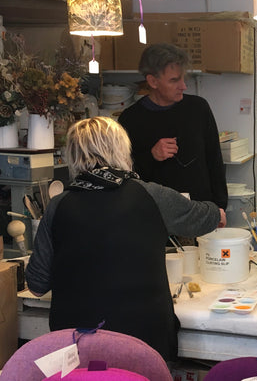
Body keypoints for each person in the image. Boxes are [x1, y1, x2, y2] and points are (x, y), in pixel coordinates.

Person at [26, 117, 226, 362]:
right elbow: (205, 217)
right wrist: (218, 214)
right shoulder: (152, 195)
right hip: (143, 344)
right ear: (121, 150)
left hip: (76, 348)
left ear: (73, 156)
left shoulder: (57, 206)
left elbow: (36, 285)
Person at [118, 43, 228, 209]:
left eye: (183, 78)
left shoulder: (198, 108)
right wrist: (151, 156)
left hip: (199, 210)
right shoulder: (130, 119)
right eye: (174, 80)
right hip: (154, 214)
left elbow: (214, 160)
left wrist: (219, 207)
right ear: (152, 81)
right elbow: (124, 174)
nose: (183, 86)